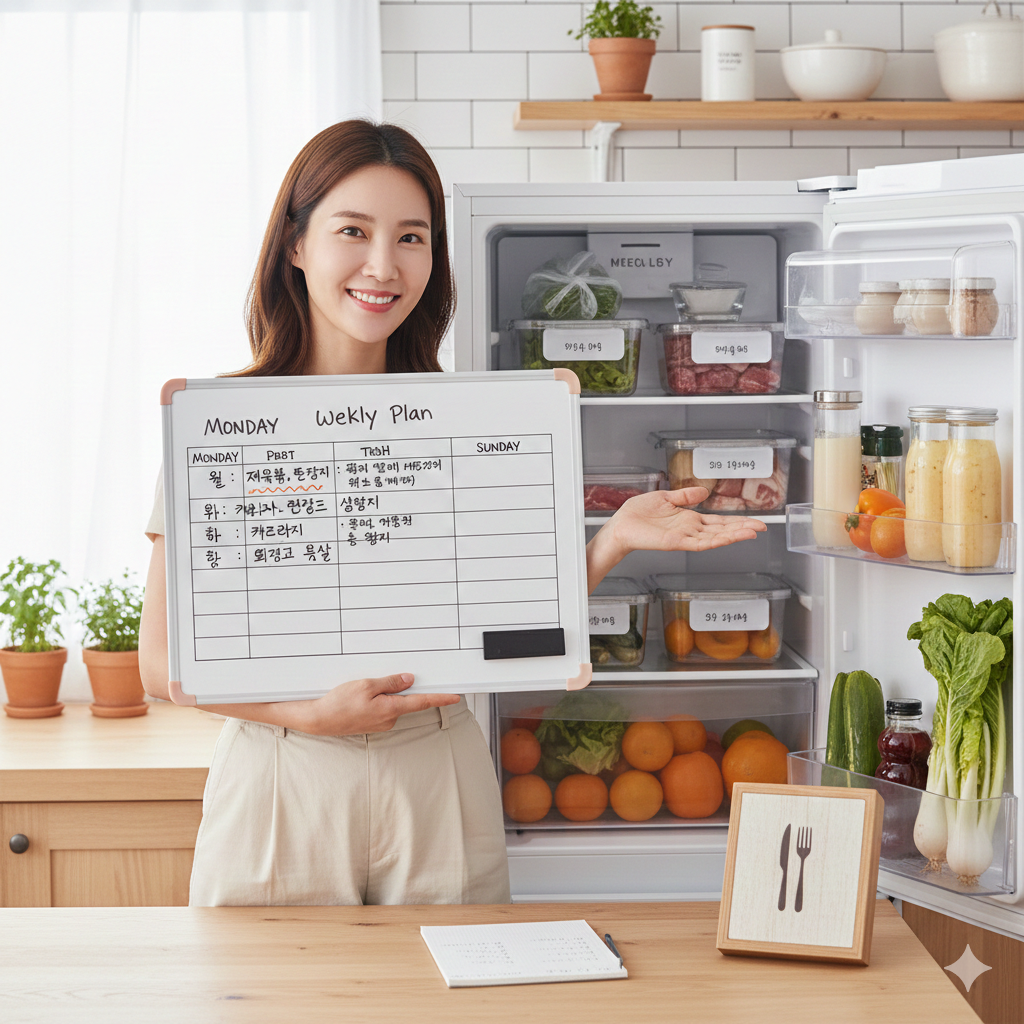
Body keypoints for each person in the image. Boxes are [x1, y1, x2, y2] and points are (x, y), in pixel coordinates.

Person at [139, 120, 767, 907]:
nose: (382, 265)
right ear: (295, 245)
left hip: (438, 771)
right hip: (279, 775)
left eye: (411, 237)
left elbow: (503, 625)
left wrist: (608, 544)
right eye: (353, 232)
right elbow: (161, 662)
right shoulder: (214, 425)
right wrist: (309, 712)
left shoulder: (471, 417)